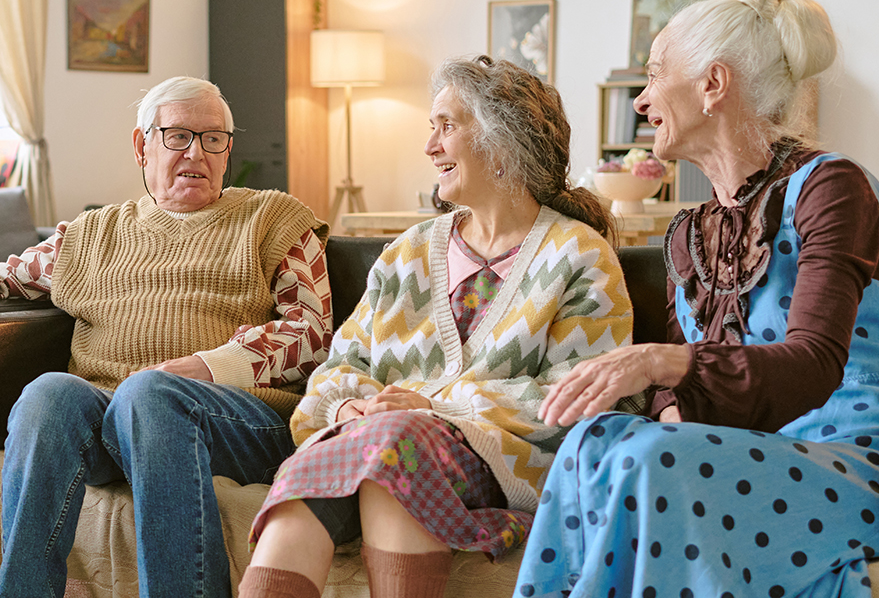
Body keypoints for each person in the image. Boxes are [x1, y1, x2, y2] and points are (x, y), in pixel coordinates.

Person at [515, 0, 879, 598]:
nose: (643, 100)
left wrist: (658, 362)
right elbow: (682, 399)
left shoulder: (832, 187)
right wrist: (663, 403)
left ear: (713, 84)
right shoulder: (689, 234)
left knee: (653, 457)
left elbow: (814, 364)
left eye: (655, 76)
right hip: (745, 454)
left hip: (854, 456)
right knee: (595, 443)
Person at [238, 57, 636, 598]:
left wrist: (435, 410)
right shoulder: (407, 252)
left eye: (447, 126)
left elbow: (581, 394)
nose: (430, 146)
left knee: (396, 438)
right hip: (383, 441)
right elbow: (341, 365)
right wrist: (348, 409)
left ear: (502, 141)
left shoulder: (579, 255)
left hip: (505, 462)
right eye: (433, 127)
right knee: (329, 465)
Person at [0, 75, 332, 598]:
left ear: (228, 151)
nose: (197, 153)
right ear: (142, 146)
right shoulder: (93, 235)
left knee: (149, 394)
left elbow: (313, 334)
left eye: (214, 140)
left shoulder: (273, 219)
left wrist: (211, 366)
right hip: (116, 419)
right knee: (50, 393)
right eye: (178, 136)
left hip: (237, 421)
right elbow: (3, 275)